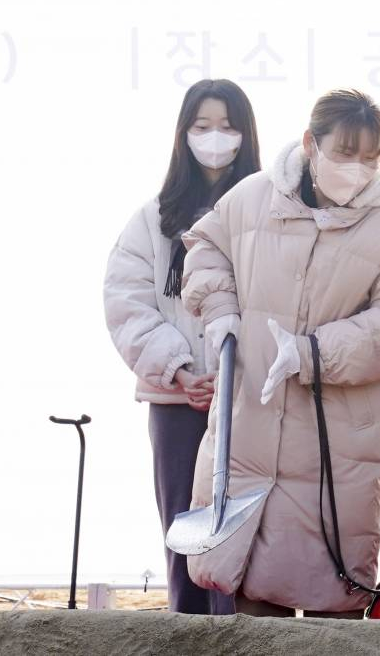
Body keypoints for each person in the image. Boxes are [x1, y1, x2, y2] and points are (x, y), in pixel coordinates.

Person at [180, 88, 380, 618]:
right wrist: (220, 305)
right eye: (344, 152)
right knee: (253, 603)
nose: (357, 168)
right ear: (310, 145)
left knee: (332, 605)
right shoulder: (252, 197)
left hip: (337, 442)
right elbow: (206, 245)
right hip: (252, 423)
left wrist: (312, 353)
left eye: (370, 156)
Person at [103, 78, 261, 614]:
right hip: (178, 403)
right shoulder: (153, 219)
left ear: (246, 133)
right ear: (183, 134)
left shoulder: (266, 215)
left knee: (247, 533)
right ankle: (185, 633)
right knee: (182, 528)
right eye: (202, 126)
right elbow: (126, 303)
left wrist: (234, 374)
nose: (215, 138)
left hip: (246, 404)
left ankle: (244, 641)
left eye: (227, 125)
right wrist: (179, 369)